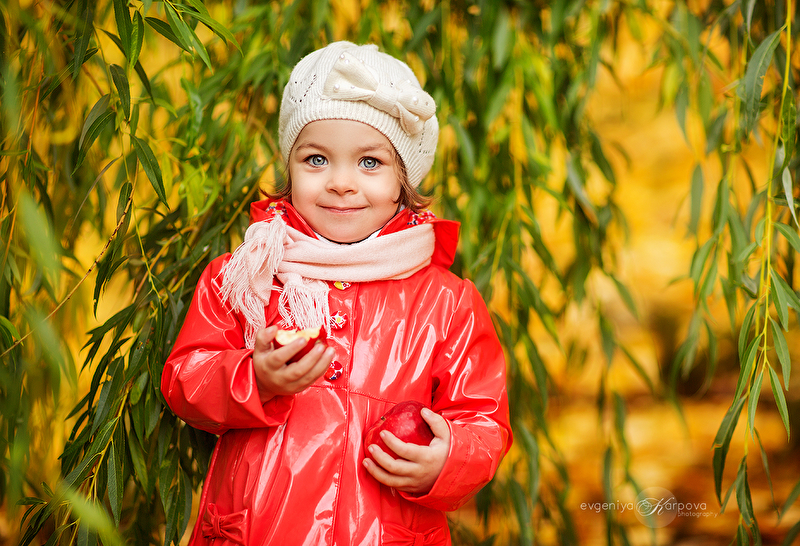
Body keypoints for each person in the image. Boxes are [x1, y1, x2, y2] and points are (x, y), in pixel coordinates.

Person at [161, 41, 512, 546]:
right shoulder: (246, 276)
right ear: (289, 167)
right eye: (317, 159)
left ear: (403, 180)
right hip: (261, 530)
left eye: (369, 162)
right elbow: (186, 379)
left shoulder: (446, 302)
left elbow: (482, 419)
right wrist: (253, 377)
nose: (341, 183)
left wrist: (447, 459)